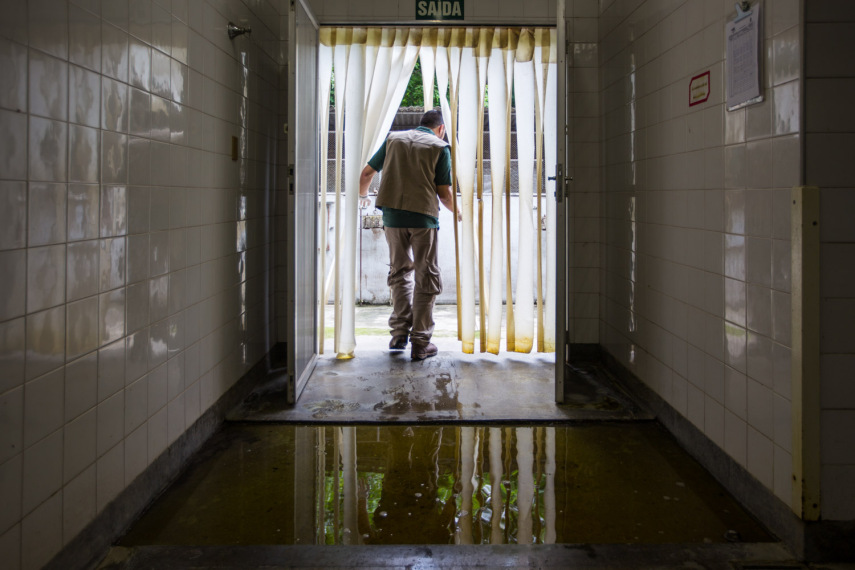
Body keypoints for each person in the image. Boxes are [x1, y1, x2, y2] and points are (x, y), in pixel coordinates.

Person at [358, 109, 457, 361]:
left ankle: (399, 334)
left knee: (399, 272)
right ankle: (420, 343)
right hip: (423, 219)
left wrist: (364, 200)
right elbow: (444, 194)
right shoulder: (439, 147)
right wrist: (463, 214)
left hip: (392, 219)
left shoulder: (394, 139)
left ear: (420, 124)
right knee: (427, 276)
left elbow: (366, 174)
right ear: (441, 128)